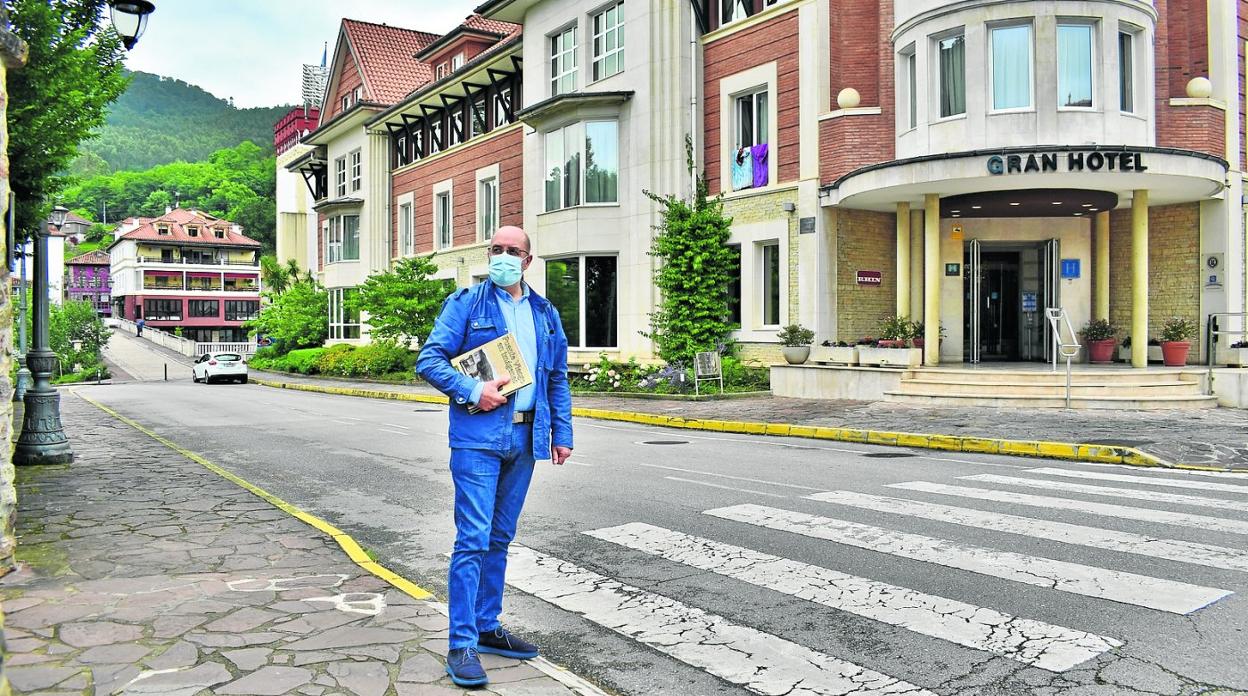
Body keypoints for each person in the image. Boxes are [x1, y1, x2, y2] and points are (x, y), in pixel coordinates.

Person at [416, 225, 573, 688]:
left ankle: (486, 627)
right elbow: (430, 359)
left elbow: (557, 378)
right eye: (495, 249)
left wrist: (560, 433)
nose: (502, 256)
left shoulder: (545, 312)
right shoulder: (467, 303)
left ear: (528, 261)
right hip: (478, 439)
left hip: (525, 440)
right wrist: (472, 389)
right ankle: (461, 642)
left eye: (512, 251)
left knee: (500, 538)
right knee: (473, 539)